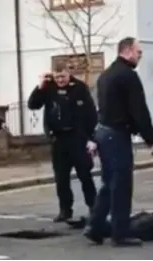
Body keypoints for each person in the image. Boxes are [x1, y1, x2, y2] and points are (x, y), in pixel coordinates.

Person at [84, 37, 153, 247]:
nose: (140, 56)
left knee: (109, 183)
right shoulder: (128, 76)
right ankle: (120, 232)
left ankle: (95, 226)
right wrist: (151, 139)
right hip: (117, 135)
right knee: (121, 185)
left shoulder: (105, 75)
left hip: (103, 134)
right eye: (138, 52)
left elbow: (112, 108)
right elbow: (138, 109)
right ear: (127, 51)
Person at [28, 63, 98, 222]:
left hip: (78, 138)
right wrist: (40, 86)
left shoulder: (79, 88)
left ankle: (94, 207)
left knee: (85, 175)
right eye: (57, 77)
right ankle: (65, 210)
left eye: (63, 77)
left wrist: (91, 138)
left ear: (69, 74)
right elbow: (33, 105)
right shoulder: (48, 88)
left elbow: (91, 114)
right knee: (61, 178)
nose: (60, 80)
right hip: (58, 139)